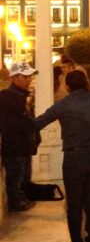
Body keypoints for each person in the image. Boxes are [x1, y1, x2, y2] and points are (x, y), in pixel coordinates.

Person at [34, 70, 90, 242]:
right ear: (85, 82)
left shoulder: (64, 104)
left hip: (75, 157)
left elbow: (39, 122)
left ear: (67, 86)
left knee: (74, 206)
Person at [0, 61, 39, 213]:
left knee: (22, 175)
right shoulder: (10, 96)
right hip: (15, 144)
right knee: (16, 175)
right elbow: (14, 122)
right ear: (14, 78)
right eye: (25, 77)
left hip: (23, 144)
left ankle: (21, 199)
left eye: (30, 76)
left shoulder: (22, 96)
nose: (29, 80)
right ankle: (16, 203)